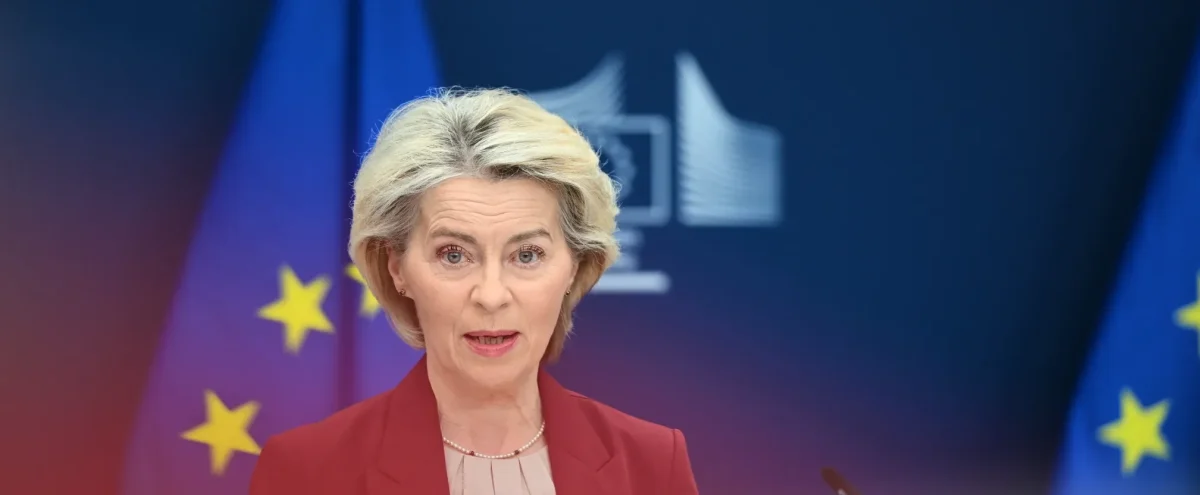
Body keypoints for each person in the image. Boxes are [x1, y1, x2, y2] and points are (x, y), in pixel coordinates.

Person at [248, 88, 699, 494]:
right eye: (454, 255)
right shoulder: (307, 472)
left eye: (527, 255)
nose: (491, 295)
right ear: (397, 267)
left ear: (575, 266)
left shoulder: (651, 464)